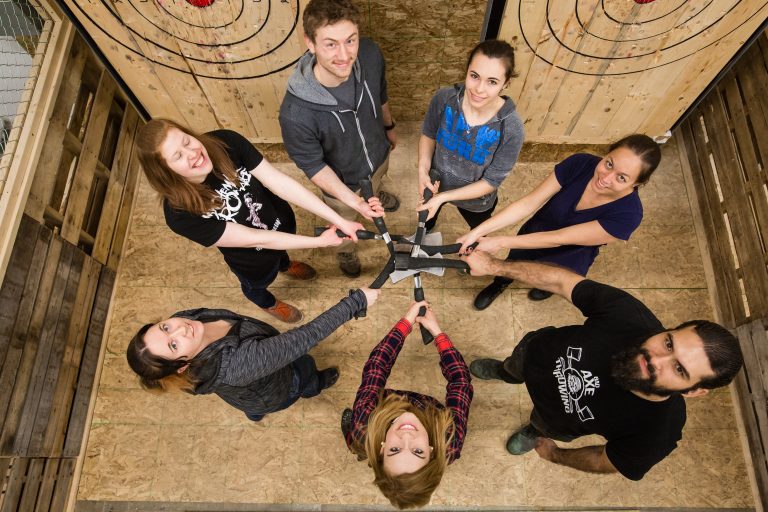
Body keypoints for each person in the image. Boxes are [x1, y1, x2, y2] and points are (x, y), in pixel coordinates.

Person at [461, 250, 744, 480]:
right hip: (534, 355)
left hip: (556, 420)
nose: (655, 360)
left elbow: (607, 460)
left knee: (542, 425)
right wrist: (494, 265)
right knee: (514, 366)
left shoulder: (659, 430)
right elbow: (563, 281)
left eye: (679, 369)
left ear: (694, 391)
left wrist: (556, 455)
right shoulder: (629, 316)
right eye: (669, 344)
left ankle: (533, 431)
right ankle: (505, 371)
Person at [136, 119, 371, 324]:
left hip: (280, 224)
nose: (192, 153)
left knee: (281, 255)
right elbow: (253, 239)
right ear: (165, 172)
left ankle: (285, 265)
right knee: (256, 285)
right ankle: (267, 303)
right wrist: (318, 242)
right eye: (177, 156)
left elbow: (278, 182)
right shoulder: (179, 215)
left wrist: (339, 219)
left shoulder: (225, 142)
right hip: (251, 259)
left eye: (186, 141)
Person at [460, 134, 661, 309]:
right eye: (609, 163)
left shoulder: (628, 215)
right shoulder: (580, 164)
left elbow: (559, 238)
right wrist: (477, 232)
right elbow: (530, 202)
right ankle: (501, 283)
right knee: (514, 261)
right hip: (536, 230)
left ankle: (545, 288)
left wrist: (500, 241)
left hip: (571, 252)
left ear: (637, 184)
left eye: (622, 178)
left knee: (550, 276)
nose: (605, 178)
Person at [126, 288, 380, 422]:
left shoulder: (188, 319)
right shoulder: (236, 366)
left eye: (165, 327)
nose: (180, 329)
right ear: (181, 367)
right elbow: (305, 338)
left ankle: (254, 412)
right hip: (280, 387)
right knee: (305, 372)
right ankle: (313, 386)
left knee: (250, 403)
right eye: (173, 346)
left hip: (247, 390)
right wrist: (355, 302)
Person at [279, 0, 399, 278]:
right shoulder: (295, 113)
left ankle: (375, 193)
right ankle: (346, 253)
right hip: (342, 185)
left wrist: (388, 126)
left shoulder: (369, 53)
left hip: (378, 158)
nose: (344, 55)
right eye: (331, 44)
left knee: (378, 180)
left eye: (350, 40)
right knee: (346, 225)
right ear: (310, 43)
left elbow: (380, 91)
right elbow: (313, 166)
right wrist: (354, 202)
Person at [341, 302, 472, 509]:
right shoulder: (450, 441)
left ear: (382, 450)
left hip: (383, 409)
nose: (407, 436)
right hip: (426, 408)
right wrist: (437, 334)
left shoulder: (365, 422)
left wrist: (406, 323)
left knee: (357, 438)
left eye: (395, 449)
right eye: (418, 452)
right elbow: (460, 383)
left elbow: (377, 366)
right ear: (432, 452)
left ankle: (354, 443)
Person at [416, 39, 524, 234]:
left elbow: (491, 181)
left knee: (478, 232)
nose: (479, 89)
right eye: (474, 76)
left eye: (492, 81)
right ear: (466, 71)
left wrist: (444, 197)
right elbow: (428, 135)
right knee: (425, 223)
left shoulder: (511, 128)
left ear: (506, 83)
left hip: (476, 201)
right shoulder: (444, 99)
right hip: (436, 184)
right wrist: (423, 170)